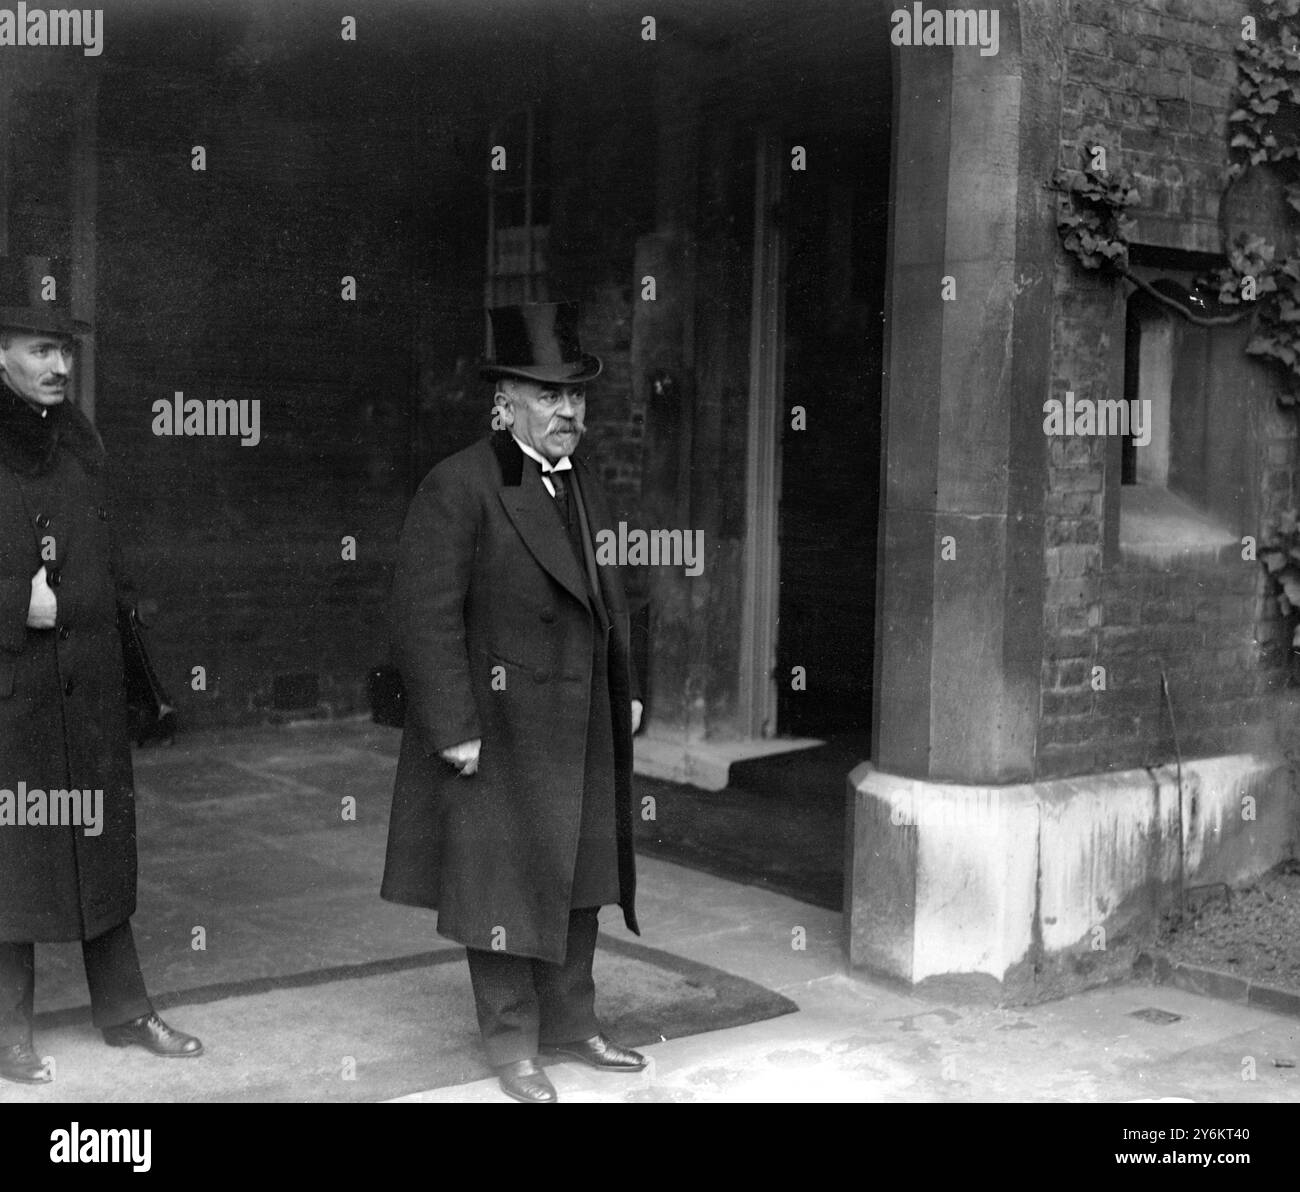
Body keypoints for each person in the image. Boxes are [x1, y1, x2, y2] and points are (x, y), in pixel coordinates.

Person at [382, 301, 646, 1103]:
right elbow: (422, 617)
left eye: (576, 396)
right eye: (546, 394)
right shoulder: (460, 484)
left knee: (581, 875)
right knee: (499, 882)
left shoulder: (584, 484)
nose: (566, 411)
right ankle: (512, 1045)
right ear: (504, 400)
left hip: (580, 718)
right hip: (498, 724)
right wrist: (452, 727)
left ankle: (572, 1022)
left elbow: (614, 597)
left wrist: (625, 692)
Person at [0, 256, 202, 1085]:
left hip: (88, 686)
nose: (57, 367)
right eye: (39, 348)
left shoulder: (80, 440)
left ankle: (124, 1007)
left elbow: (109, 557)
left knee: (100, 847)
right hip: (12, 693)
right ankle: (8, 1028)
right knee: (11, 859)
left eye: (65, 350)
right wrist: (16, 604)